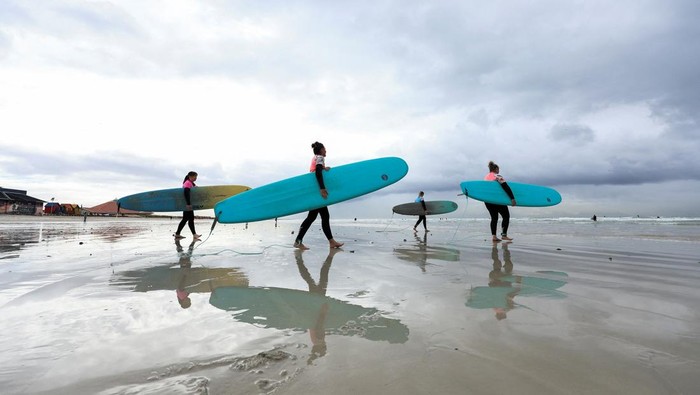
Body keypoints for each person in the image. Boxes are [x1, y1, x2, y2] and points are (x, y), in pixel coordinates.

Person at [293, 142, 344, 250]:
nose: (326, 151)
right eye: (325, 149)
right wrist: (322, 188)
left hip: (313, 191)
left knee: (313, 217)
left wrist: (324, 169)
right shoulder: (320, 157)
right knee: (322, 217)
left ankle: (299, 241)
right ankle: (330, 242)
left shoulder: (315, 158)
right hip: (317, 191)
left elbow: (316, 170)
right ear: (321, 150)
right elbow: (317, 173)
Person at [484, 161, 516, 242]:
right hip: (497, 200)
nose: (499, 171)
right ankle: (504, 235)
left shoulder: (486, 177)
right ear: (496, 169)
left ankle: (494, 236)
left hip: (487, 200)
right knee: (506, 216)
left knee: (494, 218)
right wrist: (512, 198)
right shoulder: (497, 175)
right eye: (498, 169)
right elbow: (505, 186)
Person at [174, 171, 201, 240]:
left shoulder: (190, 183)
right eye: (195, 177)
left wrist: (195, 187)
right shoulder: (188, 183)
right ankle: (194, 235)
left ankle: (178, 234)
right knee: (190, 219)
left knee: (186, 219)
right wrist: (188, 204)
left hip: (187, 204)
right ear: (190, 176)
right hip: (187, 204)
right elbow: (186, 193)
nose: (196, 178)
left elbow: (192, 190)